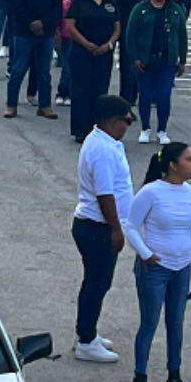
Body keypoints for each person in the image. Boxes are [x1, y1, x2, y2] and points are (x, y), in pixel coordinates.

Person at [123, 141, 191, 382]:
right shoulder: (150, 193)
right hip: (155, 268)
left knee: (176, 323)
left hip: (181, 268)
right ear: (172, 165)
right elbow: (131, 226)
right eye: (189, 160)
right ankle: (140, 379)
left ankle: (174, 376)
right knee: (149, 323)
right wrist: (146, 254)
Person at [72, 95, 136, 364]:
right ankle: (86, 341)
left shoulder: (106, 142)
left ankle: (88, 333)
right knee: (97, 283)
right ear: (112, 121)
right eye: (126, 121)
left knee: (97, 282)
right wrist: (116, 230)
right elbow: (105, 194)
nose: (128, 126)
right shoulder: (102, 150)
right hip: (98, 226)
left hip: (97, 225)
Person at [127, 0, 189, 144]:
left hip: (167, 61)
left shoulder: (176, 10)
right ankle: (145, 128)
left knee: (163, 95)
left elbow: (182, 36)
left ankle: (162, 130)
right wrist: (134, 58)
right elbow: (130, 35)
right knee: (145, 95)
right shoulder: (140, 9)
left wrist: (182, 59)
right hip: (145, 60)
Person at [3, 0, 61, 120]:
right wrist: (31, 23)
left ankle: (44, 106)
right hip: (23, 33)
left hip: (45, 34)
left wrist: (43, 23)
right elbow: (16, 8)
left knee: (44, 72)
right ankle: (11, 104)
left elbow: (57, 9)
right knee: (18, 69)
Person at [65, 0, 121, 142]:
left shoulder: (111, 3)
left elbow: (117, 27)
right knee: (81, 90)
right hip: (82, 52)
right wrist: (86, 44)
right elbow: (70, 25)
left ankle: (97, 129)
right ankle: (81, 130)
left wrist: (109, 44)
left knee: (100, 91)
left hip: (104, 54)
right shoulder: (80, 1)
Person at [105, 0, 149, 103]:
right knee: (105, 60)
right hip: (109, 22)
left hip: (132, 23)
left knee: (128, 62)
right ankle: (102, 96)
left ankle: (127, 98)